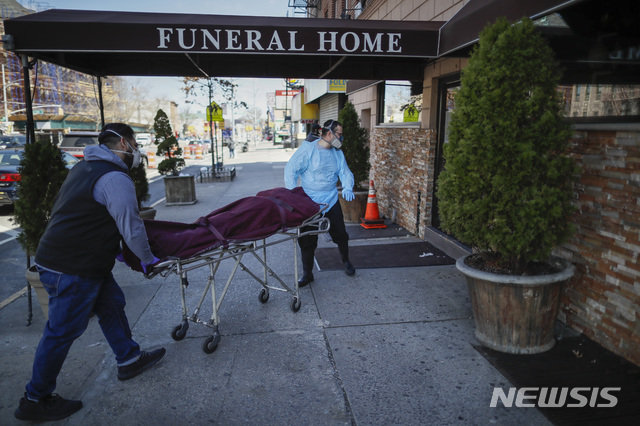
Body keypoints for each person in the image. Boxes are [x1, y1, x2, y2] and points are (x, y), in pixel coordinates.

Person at [15, 123, 165, 422]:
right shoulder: (114, 178)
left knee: (111, 305)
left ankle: (129, 358)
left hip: (75, 260)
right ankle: (35, 399)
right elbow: (131, 226)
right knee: (61, 332)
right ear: (124, 143)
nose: (137, 151)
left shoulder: (83, 168)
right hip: (73, 267)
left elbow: (81, 213)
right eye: (135, 144)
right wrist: (148, 259)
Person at [284, 119, 356, 287]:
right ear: (329, 133)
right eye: (339, 134)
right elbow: (291, 170)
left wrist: (348, 186)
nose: (341, 137)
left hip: (330, 199)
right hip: (310, 201)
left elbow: (344, 172)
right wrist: (293, 194)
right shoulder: (308, 150)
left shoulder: (337, 153)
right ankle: (307, 274)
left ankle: (346, 261)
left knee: (341, 234)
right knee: (307, 238)